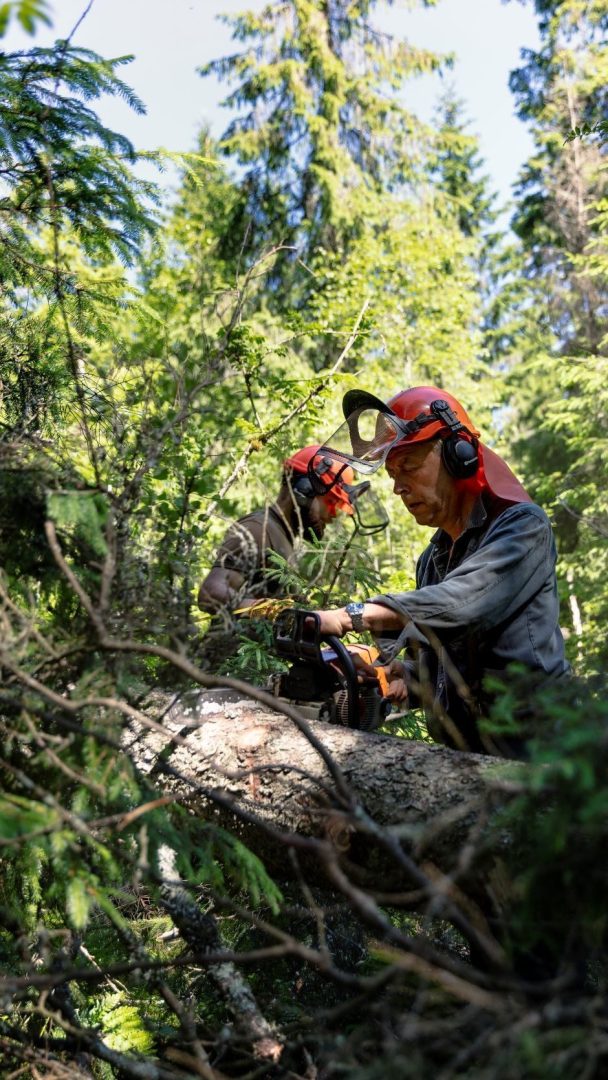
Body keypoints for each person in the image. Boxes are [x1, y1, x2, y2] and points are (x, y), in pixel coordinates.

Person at [307, 386, 571, 758]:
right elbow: (449, 666)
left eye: (409, 467)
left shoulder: (522, 528)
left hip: (541, 756)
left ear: (457, 454)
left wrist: (354, 615)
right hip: (468, 761)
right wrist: (403, 676)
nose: (398, 487)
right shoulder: (432, 561)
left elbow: (461, 603)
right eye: (392, 474)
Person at [197, 446, 361, 670]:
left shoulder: (282, 536)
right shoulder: (258, 529)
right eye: (331, 503)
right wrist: (275, 609)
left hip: (250, 676)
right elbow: (210, 593)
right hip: (222, 675)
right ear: (305, 490)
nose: (331, 516)